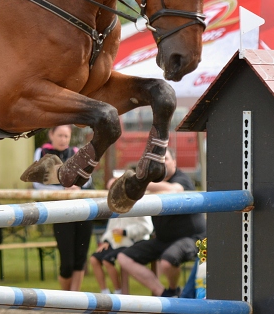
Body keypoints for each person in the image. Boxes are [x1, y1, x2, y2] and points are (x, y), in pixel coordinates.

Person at [115, 150, 205, 297]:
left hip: (193, 238)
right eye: (158, 162)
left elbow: (173, 190)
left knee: (167, 261)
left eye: (166, 159)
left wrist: (141, 182)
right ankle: (164, 294)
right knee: (124, 258)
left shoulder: (182, 179)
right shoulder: (153, 184)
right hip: (163, 240)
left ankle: (173, 290)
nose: (162, 163)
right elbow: (114, 183)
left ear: (174, 162)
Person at [33, 125, 93, 291]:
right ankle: (66, 297)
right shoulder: (42, 153)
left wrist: (77, 187)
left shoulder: (76, 152)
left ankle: (75, 297)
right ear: (51, 134)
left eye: (66, 136)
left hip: (81, 210)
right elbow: (37, 185)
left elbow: (87, 179)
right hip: (60, 211)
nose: (63, 139)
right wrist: (62, 190)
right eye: (60, 135)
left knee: (80, 258)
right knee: (67, 262)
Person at [90, 176, 153, 294]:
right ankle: (105, 292)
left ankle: (118, 292)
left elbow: (147, 228)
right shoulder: (115, 204)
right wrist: (106, 241)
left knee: (107, 260)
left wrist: (125, 232)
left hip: (133, 242)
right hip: (116, 242)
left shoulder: (139, 202)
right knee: (94, 259)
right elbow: (111, 228)